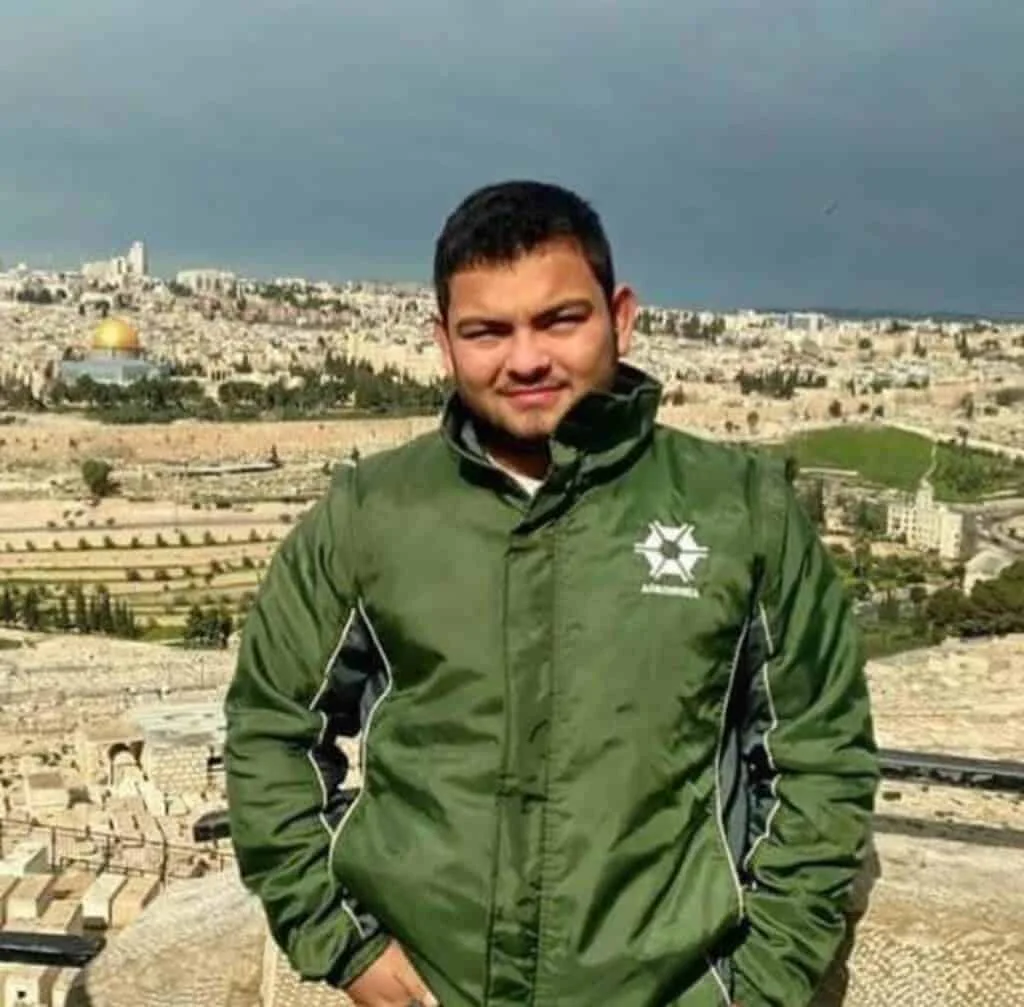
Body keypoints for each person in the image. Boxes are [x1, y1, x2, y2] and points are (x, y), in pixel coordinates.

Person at [224, 180, 879, 1007]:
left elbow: (820, 756)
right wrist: (342, 942)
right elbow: (272, 727)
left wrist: (753, 986)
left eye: (559, 319)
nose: (526, 358)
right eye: (487, 330)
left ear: (622, 315)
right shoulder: (371, 514)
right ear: (443, 340)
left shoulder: (739, 510)